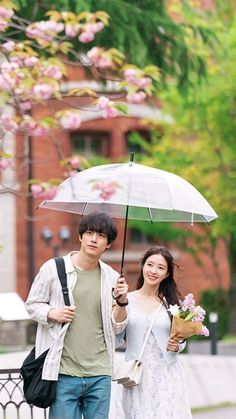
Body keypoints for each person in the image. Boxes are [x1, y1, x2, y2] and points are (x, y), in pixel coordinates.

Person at [25, 212, 129, 419]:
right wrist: (53, 313)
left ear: (108, 243)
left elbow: (117, 327)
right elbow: (32, 304)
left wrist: (122, 301)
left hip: (100, 372)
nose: (93, 239)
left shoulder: (112, 278)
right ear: (80, 236)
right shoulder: (53, 269)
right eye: (89, 233)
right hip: (63, 370)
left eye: (100, 235)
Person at [115, 246, 192, 419]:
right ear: (142, 266)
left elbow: (181, 339)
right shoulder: (127, 300)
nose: (154, 271)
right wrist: (120, 303)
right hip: (136, 376)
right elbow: (117, 335)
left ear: (166, 274)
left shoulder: (173, 304)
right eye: (150, 265)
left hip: (167, 374)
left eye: (161, 267)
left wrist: (177, 346)